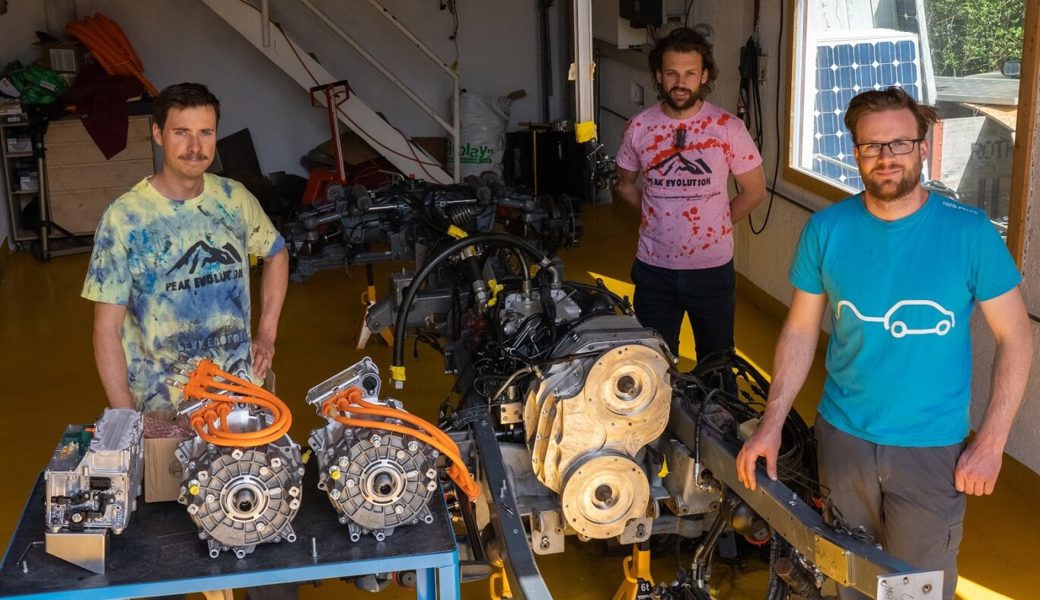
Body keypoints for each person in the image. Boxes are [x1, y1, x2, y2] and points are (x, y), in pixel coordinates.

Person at [735, 87, 1031, 600]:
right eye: (872, 146)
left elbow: (1017, 338)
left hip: (931, 449)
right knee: (843, 577)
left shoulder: (970, 234)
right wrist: (771, 425)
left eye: (899, 144)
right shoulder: (827, 230)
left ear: (922, 146)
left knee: (916, 587)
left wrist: (992, 442)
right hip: (843, 438)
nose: (886, 157)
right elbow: (801, 330)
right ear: (855, 153)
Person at [83, 82, 289, 413]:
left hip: (239, 394)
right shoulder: (126, 218)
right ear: (158, 134)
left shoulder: (234, 199)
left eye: (205, 133)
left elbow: (276, 253)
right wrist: (127, 418)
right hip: (162, 406)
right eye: (181, 132)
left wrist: (266, 335)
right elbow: (105, 328)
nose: (195, 146)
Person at [614, 27, 766, 362]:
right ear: (658, 75)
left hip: (711, 269)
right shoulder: (640, 127)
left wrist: (719, 224)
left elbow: (754, 190)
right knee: (653, 364)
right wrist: (656, 214)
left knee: (717, 362)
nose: (680, 82)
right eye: (671, 73)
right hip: (654, 269)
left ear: (705, 75)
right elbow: (625, 183)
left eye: (690, 73)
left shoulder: (728, 128)